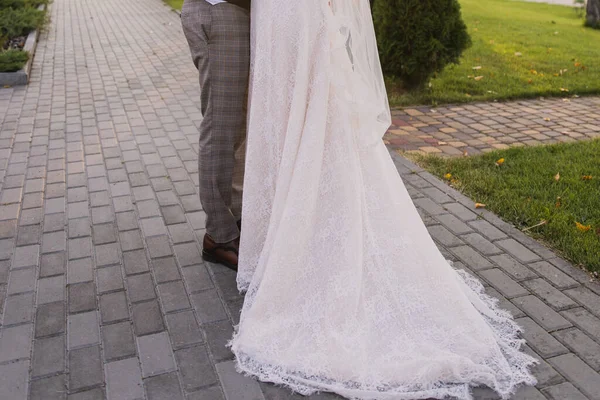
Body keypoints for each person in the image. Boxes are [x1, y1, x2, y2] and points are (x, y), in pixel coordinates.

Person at [229, 1, 537, 399]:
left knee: (310, 125)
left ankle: (309, 242)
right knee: (285, 121)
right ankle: (288, 235)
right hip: (278, 17)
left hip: (297, 17)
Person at [180, 0, 251, 271]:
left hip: (237, 12)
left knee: (238, 126)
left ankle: (236, 216)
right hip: (218, 9)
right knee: (221, 125)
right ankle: (218, 236)